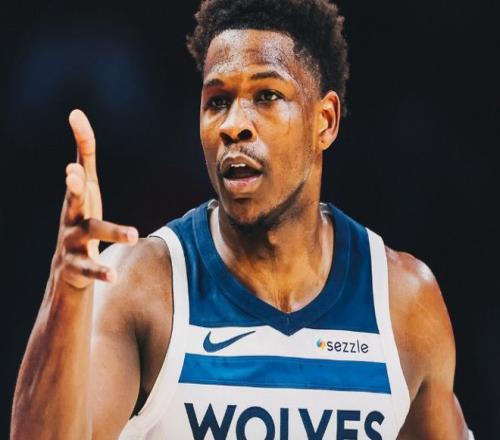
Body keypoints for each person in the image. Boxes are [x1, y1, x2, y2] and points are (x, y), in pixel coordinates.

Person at [11, 0, 473, 438]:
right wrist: (64, 290)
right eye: (217, 101)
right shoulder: (141, 286)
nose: (234, 124)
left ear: (325, 121)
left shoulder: (403, 303)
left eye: (267, 95)